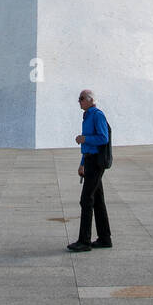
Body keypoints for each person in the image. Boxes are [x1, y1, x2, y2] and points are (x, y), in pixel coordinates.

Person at [67, 90, 112, 252]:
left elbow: (103, 138)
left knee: (86, 199)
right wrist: (82, 163)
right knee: (98, 200)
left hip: (96, 162)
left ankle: (84, 241)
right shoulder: (87, 116)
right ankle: (105, 238)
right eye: (79, 99)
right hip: (89, 160)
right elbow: (88, 145)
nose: (79, 101)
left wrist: (84, 139)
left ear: (91, 100)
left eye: (81, 99)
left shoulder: (97, 115)